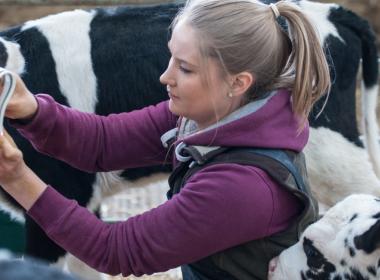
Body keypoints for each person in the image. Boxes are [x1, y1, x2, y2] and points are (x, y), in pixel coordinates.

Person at [0, 0, 330, 279]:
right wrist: (30, 109)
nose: (165, 76)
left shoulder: (243, 186)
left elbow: (116, 250)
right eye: (171, 57)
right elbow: (103, 142)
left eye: (185, 69)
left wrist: (17, 178)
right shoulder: (209, 116)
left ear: (239, 82)